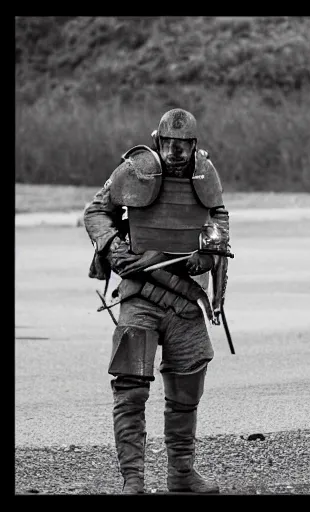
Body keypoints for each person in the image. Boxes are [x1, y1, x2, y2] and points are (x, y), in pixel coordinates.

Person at [83, 108, 231, 494]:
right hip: (141, 294)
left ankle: (181, 475)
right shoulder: (136, 169)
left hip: (184, 296)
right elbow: (97, 210)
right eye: (170, 144)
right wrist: (114, 247)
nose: (177, 152)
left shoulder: (205, 173)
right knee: (131, 387)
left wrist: (209, 250)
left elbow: (218, 217)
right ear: (158, 141)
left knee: (188, 385)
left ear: (193, 145)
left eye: (184, 146)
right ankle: (133, 480)